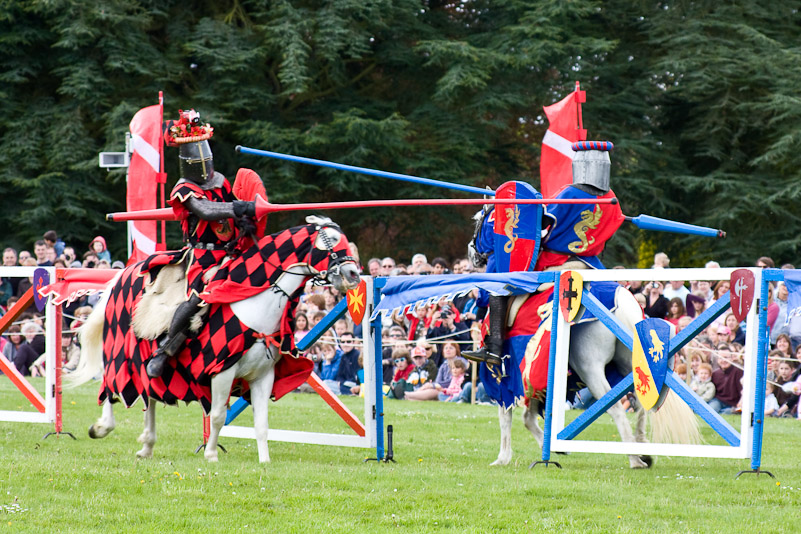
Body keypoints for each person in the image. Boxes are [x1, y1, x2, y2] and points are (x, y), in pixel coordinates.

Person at [145, 109, 262, 378]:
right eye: (200, 164)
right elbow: (207, 211)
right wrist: (239, 208)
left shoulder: (220, 180)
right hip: (201, 257)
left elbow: (230, 205)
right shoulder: (183, 189)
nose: (205, 169)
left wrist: (245, 221)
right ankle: (164, 350)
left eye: (207, 162)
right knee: (196, 298)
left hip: (231, 251)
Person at [709, 344, 743, 414]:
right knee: (712, 409)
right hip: (718, 401)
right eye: (721, 358)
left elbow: (743, 391)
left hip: (733, 403)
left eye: (726, 357)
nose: (723, 360)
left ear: (731, 358)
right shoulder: (715, 373)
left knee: (728, 412)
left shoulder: (739, 372)